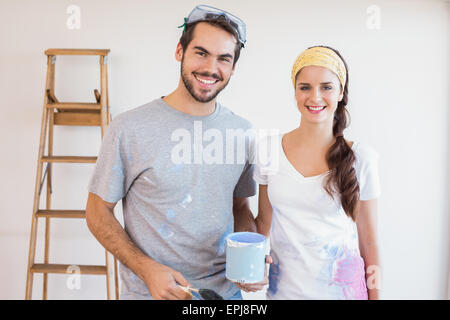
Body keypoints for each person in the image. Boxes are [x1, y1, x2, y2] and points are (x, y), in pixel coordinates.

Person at [85, 5, 258, 300]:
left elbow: (240, 207)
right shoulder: (129, 128)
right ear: (179, 51)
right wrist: (147, 268)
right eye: (200, 53)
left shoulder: (242, 132)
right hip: (151, 294)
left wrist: (250, 255)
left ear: (232, 68)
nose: (210, 68)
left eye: (223, 59)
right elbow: (97, 212)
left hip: (224, 298)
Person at [244, 46, 381, 299]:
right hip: (283, 293)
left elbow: (369, 242)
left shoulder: (362, 158)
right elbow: (264, 222)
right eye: (304, 87)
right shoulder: (268, 149)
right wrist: (250, 265)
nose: (315, 97)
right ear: (295, 92)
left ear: (340, 92)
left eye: (326, 87)